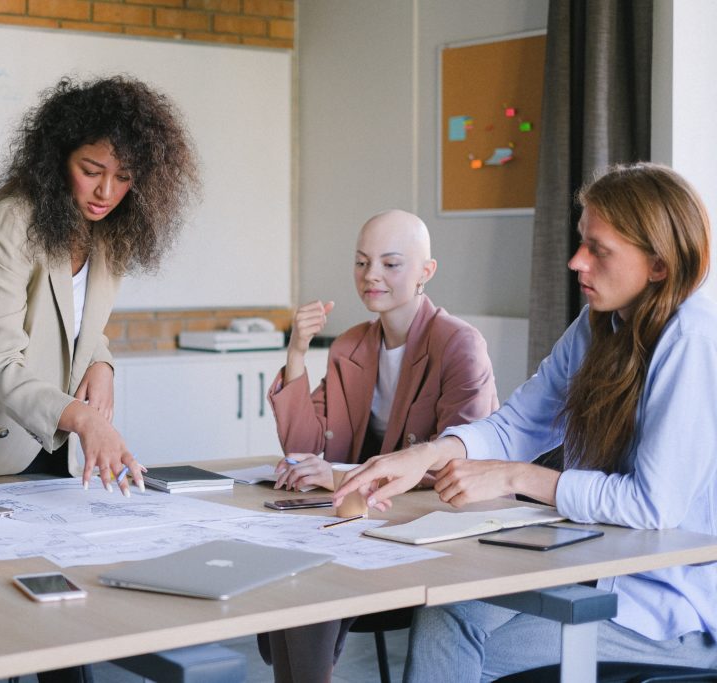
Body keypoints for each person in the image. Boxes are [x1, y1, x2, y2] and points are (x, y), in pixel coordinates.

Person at [335, 163, 717, 680]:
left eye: (598, 249)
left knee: (459, 643)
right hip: (594, 568)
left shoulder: (690, 339)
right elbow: (520, 422)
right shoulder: (599, 323)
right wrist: (425, 454)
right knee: (450, 612)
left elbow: (653, 506)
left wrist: (519, 477)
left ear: (658, 266)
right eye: (581, 242)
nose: (575, 261)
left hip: (667, 607)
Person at [0, 75, 199, 497]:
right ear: (59, 158)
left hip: (26, 442)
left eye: (123, 177)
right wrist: (84, 418)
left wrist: (101, 363)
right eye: (91, 171)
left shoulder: (111, 229)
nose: (106, 191)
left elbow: (74, 319)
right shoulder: (8, 225)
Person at [262, 209, 499, 682]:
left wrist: (335, 476)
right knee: (295, 560)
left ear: (425, 273)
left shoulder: (459, 345)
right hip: (369, 520)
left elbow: (462, 461)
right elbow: (306, 448)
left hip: (441, 529)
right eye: (361, 262)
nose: (371, 276)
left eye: (390, 264)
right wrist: (295, 353)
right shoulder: (350, 345)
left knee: (314, 573)